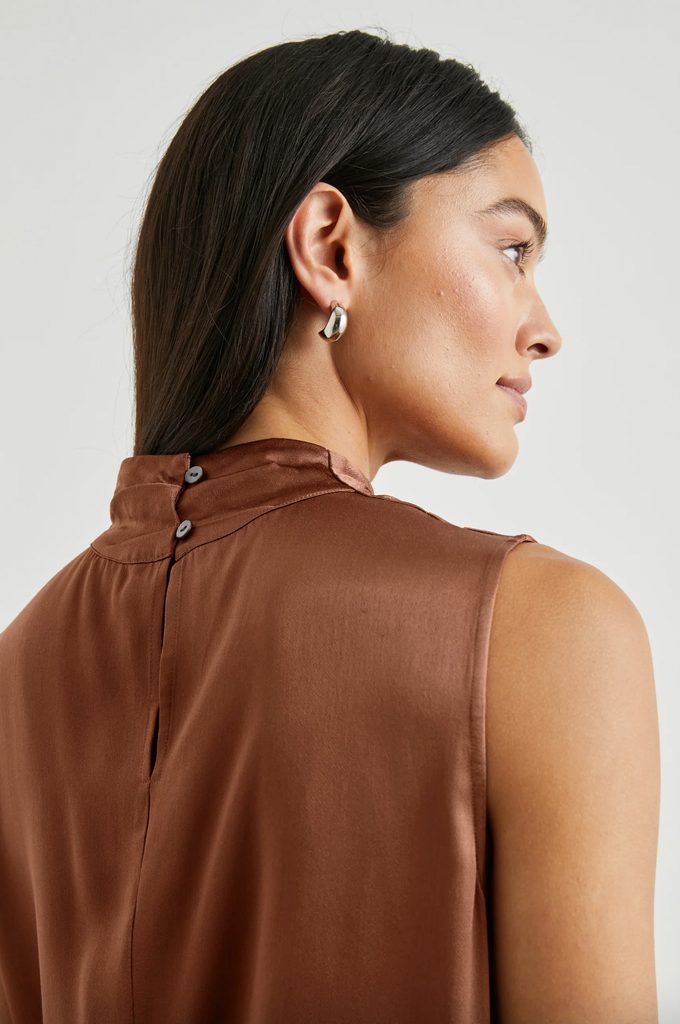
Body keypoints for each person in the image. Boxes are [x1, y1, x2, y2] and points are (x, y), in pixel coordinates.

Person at [0, 28, 659, 1024]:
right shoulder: (543, 631)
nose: (544, 328)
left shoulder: (22, 667)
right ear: (330, 247)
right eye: (511, 250)